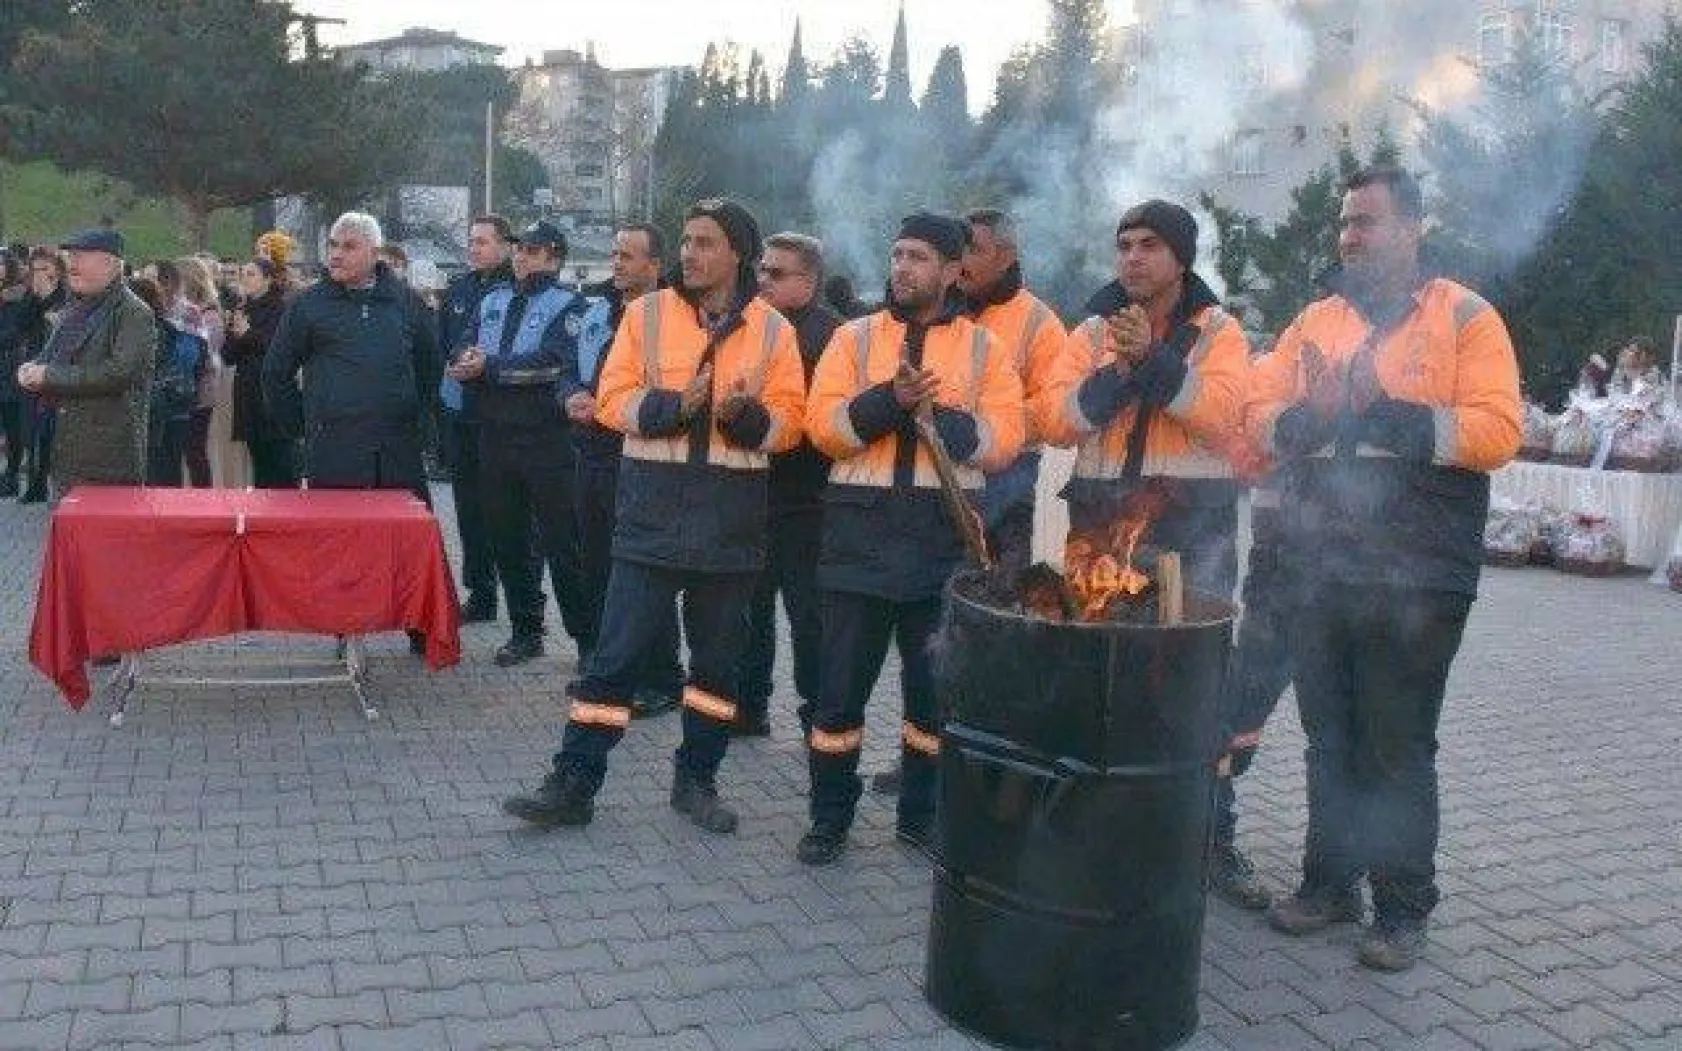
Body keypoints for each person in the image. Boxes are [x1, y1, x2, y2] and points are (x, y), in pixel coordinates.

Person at [1248, 166, 1521, 972]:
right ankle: (1330, 883)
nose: (1349, 237)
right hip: (1319, 559)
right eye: (1344, 222)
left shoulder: (1468, 317)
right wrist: (1315, 414)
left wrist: (1381, 409)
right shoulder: (1314, 321)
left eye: (1366, 222)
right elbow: (1257, 412)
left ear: (1413, 229)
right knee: (1329, 733)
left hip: (1419, 567)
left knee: (1395, 741)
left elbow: (1498, 429)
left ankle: (1402, 907)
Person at [502, 198, 806, 834]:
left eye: (705, 243)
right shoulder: (644, 315)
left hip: (730, 525)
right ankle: (573, 783)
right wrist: (675, 404)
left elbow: (791, 425)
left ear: (737, 255)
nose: (691, 253)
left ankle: (697, 779)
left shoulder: (775, 331)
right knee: (613, 660)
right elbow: (612, 401)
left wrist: (744, 418)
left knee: (717, 668)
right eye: (688, 241)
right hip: (651, 515)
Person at [795, 212, 1025, 866]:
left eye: (919, 256)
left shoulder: (985, 350)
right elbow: (824, 428)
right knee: (837, 694)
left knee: (932, 702)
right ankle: (828, 818)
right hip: (857, 540)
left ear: (954, 270)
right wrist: (887, 402)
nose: (903, 267)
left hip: (941, 548)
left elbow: (1005, 438)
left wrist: (936, 414)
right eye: (897, 254)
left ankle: (919, 816)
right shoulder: (854, 338)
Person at [1039, 200, 1249, 600]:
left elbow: (1222, 418)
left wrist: (1152, 359)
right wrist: (1119, 372)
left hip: (1192, 528)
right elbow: (1054, 422)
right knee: (1099, 656)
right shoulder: (1091, 333)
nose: (1133, 257)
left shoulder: (1219, 332)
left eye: (1149, 245)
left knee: (1186, 658)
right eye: (1124, 246)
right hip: (1099, 522)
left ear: (1182, 260)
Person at [447, 220, 597, 668]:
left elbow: (552, 364)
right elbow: (463, 346)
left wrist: (487, 368)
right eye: (518, 249)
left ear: (553, 256)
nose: (520, 257)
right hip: (493, 436)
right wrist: (464, 361)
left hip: (548, 440)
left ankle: (587, 640)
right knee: (507, 537)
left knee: (563, 543)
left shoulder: (570, 305)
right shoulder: (493, 299)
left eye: (530, 251)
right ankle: (526, 629)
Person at [573, 223, 685, 718]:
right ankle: (609, 666)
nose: (616, 263)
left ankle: (662, 678)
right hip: (593, 453)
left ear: (655, 266)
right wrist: (570, 396)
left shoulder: (672, 320)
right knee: (598, 563)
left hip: (643, 457)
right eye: (615, 254)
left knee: (646, 571)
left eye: (628, 256)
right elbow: (568, 365)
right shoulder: (599, 308)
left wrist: (607, 406)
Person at [735, 232, 841, 738]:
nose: (762, 281)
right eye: (760, 271)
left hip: (810, 501)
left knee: (810, 618)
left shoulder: (833, 336)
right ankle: (748, 707)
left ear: (810, 280)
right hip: (754, 494)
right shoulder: (749, 326)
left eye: (776, 274)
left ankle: (816, 716)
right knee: (749, 613)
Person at [958, 209, 1066, 572]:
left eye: (972, 249)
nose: (960, 260)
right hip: (940, 479)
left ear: (1005, 257)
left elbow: (1052, 407)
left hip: (1009, 484)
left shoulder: (1041, 323)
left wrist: (982, 434)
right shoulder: (942, 313)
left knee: (999, 602)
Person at [15, 229, 154, 497]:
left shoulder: (134, 313)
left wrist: (49, 376)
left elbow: (120, 373)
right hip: (65, 450)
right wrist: (32, 368)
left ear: (109, 263)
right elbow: (52, 356)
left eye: (80, 257)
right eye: (71, 256)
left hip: (106, 459)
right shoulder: (76, 307)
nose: (71, 264)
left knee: (105, 536)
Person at [438, 215, 515, 622]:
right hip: (461, 415)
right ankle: (481, 593)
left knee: (506, 512)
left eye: (483, 242)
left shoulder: (515, 288)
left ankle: (523, 599)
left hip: (500, 419)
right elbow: (444, 343)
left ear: (505, 246)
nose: (474, 248)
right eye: (471, 241)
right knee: (468, 510)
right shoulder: (459, 289)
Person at [223, 259, 296, 487]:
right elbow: (228, 356)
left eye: (251, 274)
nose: (245, 278)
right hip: (247, 392)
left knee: (279, 462)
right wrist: (235, 335)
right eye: (243, 273)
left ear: (267, 279)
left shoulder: (281, 308)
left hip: (270, 394)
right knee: (259, 461)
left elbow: (278, 347)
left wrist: (247, 334)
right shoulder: (242, 309)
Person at [17, 248, 68, 502]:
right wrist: (34, 297)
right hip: (34, 364)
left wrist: (46, 297)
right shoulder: (32, 295)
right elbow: (20, 322)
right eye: (35, 269)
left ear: (57, 269)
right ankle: (36, 482)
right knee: (34, 428)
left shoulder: (67, 296)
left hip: (57, 370)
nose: (40, 274)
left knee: (52, 429)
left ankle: (51, 482)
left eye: (45, 269)